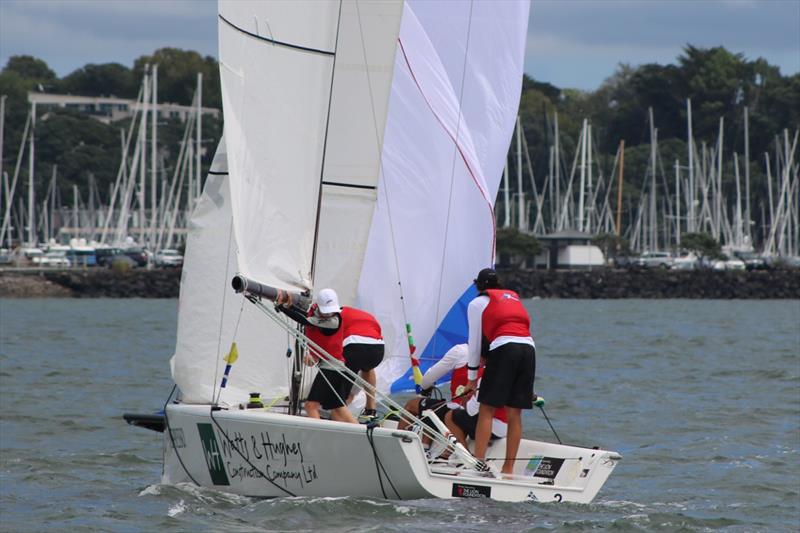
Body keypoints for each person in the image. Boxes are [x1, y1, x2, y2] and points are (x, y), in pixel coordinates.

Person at [464, 268, 535, 475]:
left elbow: (474, 342)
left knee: (487, 409)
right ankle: (509, 468)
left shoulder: (477, 303)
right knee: (515, 413)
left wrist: (471, 379)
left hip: (505, 348)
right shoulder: (513, 297)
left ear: (479, 285)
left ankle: (479, 464)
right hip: (528, 349)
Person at [277, 288, 357, 424]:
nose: (328, 314)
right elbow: (306, 315)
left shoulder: (333, 322)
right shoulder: (317, 312)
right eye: (326, 311)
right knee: (338, 407)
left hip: (332, 368)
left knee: (310, 406)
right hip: (337, 368)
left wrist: (281, 307)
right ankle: (361, 433)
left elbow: (305, 320)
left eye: (331, 310)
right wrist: (289, 305)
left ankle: (317, 437)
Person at [340, 306, 385, 422]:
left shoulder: (333, 318)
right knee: (367, 367)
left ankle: (344, 418)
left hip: (356, 347)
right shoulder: (358, 314)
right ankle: (371, 409)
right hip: (378, 349)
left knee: (343, 397)